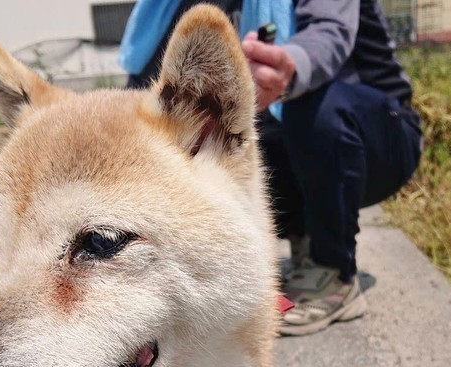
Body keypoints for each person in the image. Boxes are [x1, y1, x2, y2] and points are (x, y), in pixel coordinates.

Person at [120, 0, 423, 335]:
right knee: (231, 146)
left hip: (379, 136)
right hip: (295, 142)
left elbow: (330, 32)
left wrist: (288, 65)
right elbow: (140, 92)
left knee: (308, 105)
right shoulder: (168, 7)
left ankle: (335, 273)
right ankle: (305, 242)